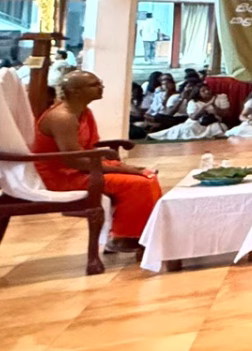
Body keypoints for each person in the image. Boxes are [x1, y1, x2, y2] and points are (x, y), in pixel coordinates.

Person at [33, 70, 163, 253]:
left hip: (85, 168)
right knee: (137, 182)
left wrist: (120, 165)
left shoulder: (83, 112)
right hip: (63, 177)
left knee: (149, 176)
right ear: (75, 91)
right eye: (94, 84)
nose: (101, 87)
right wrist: (128, 171)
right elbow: (74, 162)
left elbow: (85, 150)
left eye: (99, 82)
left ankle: (141, 234)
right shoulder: (62, 117)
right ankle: (122, 238)